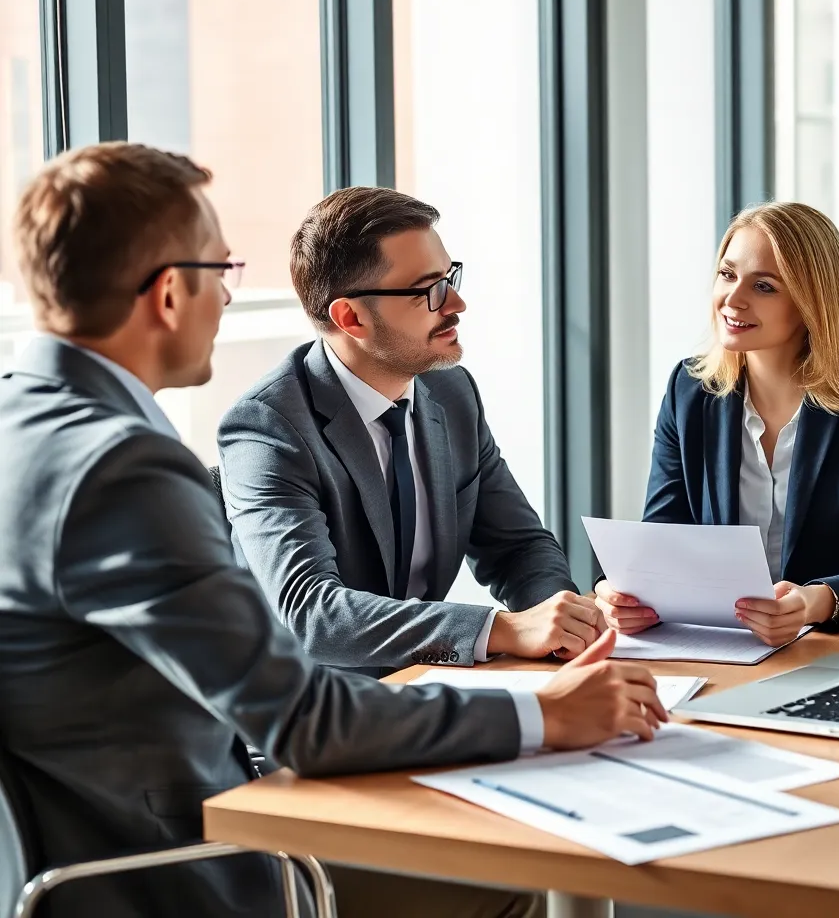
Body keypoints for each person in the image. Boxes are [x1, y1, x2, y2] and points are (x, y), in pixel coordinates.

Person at [0, 143, 666, 918]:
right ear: (172, 294)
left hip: (88, 853)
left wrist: (556, 634)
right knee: (517, 878)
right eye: (223, 274)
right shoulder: (125, 466)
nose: (228, 300)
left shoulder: (27, 424)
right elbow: (301, 716)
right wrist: (545, 715)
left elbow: (516, 544)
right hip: (184, 863)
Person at [218, 186, 602, 675]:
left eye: (450, 277)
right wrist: (501, 630)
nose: (456, 303)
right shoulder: (268, 427)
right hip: (314, 710)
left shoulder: (451, 392)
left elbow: (518, 547)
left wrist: (560, 624)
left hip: (426, 685)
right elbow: (313, 617)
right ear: (350, 317)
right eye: (429, 290)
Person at [596, 201, 839, 645]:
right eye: (727, 274)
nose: (733, 299)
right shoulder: (690, 392)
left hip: (836, 649)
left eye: (764, 286)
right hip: (719, 649)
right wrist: (626, 593)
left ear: (811, 303)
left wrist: (819, 601)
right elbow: (663, 543)